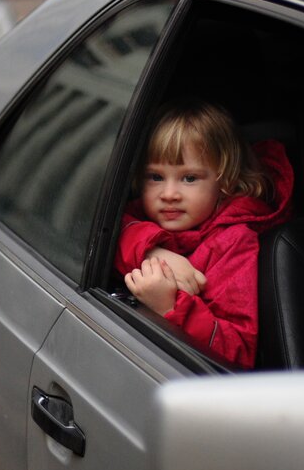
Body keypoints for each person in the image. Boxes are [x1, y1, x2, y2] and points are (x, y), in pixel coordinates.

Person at [115, 101, 294, 368]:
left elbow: (238, 353)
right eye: (155, 177)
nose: (169, 194)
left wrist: (169, 305)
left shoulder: (234, 244)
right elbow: (113, 234)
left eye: (189, 178)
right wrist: (153, 251)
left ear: (225, 181)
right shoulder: (135, 214)